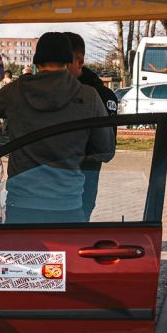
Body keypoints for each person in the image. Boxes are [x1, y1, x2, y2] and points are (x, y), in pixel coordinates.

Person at [0, 32, 111, 225]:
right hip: (68, 205)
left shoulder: (16, 90)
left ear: (37, 62)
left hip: (22, 204)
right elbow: (105, 150)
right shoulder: (89, 96)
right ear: (68, 62)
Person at [64, 31, 119, 222]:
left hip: (82, 183)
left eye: (63, 63)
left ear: (79, 62)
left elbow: (106, 150)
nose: (57, 70)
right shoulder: (43, 91)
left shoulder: (102, 96)